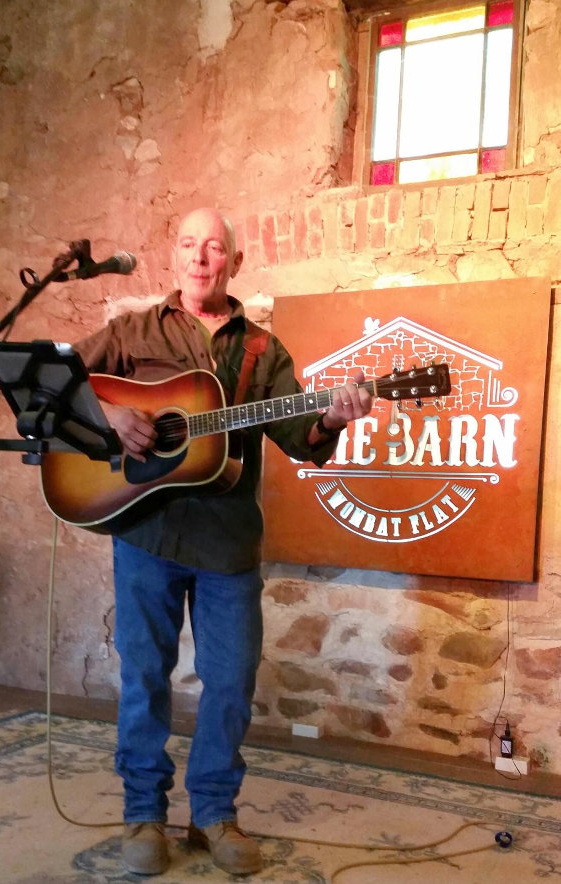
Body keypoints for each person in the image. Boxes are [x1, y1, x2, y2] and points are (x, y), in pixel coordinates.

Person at [74, 207, 373, 876]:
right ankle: (143, 814)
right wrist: (114, 412)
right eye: (188, 245)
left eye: (214, 248)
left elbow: (301, 437)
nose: (200, 257)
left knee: (232, 680)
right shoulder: (133, 331)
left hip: (229, 541)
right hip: (144, 528)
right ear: (172, 256)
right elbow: (62, 388)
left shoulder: (263, 350)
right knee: (144, 677)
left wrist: (331, 414)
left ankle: (213, 813)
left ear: (234, 263)